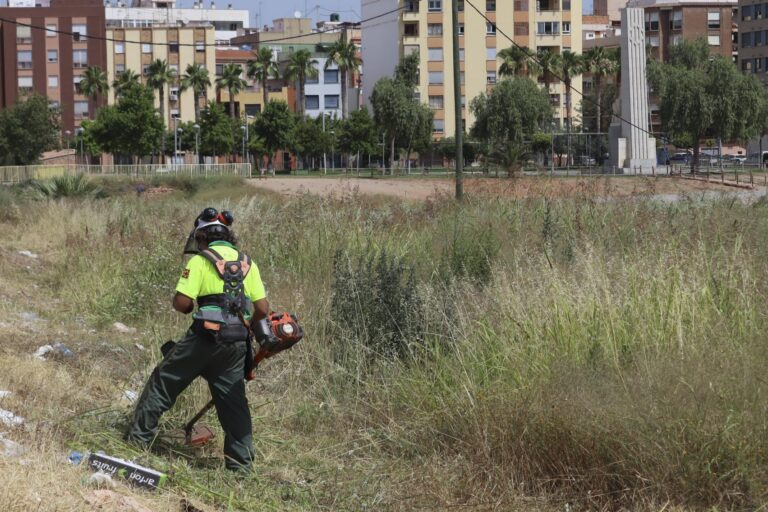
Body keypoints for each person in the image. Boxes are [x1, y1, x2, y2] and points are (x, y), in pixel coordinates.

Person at [128, 207, 271, 472]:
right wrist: (247, 325)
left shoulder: (199, 261)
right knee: (234, 403)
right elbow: (262, 309)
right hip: (237, 343)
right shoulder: (248, 262)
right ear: (229, 236)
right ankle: (241, 467)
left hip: (203, 339)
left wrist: (185, 305)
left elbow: (182, 303)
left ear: (201, 237)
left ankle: (137, 441)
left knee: (163, 382)